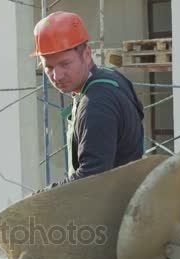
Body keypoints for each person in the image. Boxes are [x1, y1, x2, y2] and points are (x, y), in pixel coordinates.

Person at [32, 11, 145, 191]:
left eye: (65, 64)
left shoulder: (96, 104)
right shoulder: (113, 78)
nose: (56, 75)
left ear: (86, 54)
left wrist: (40, 197)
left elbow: (90, 180)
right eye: (49, 67)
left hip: (109, 212)